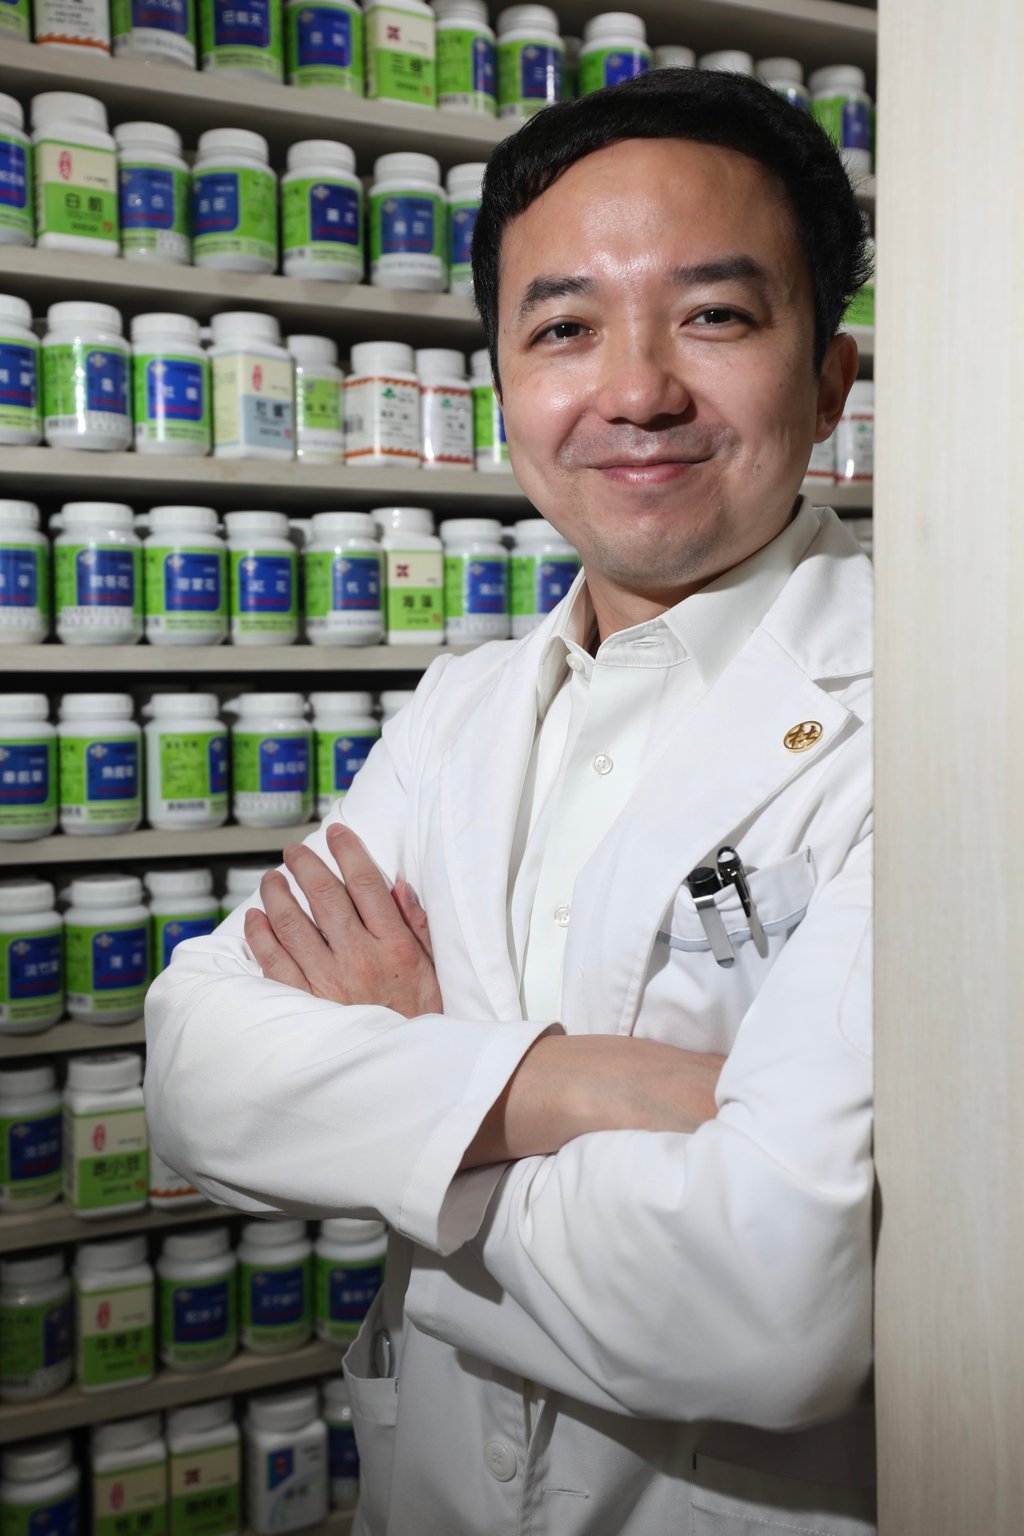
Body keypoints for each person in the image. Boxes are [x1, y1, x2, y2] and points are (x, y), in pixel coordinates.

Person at [145, 68, 875, 1536]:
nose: (635, 389)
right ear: (501, 390)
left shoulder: (949, 717)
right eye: (563, 327)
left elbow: (776, 1306)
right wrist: (561, 1088)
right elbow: (195, 1068)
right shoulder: (460, 709)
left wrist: (410, 1090)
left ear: (830, 379)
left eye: (717, 315)